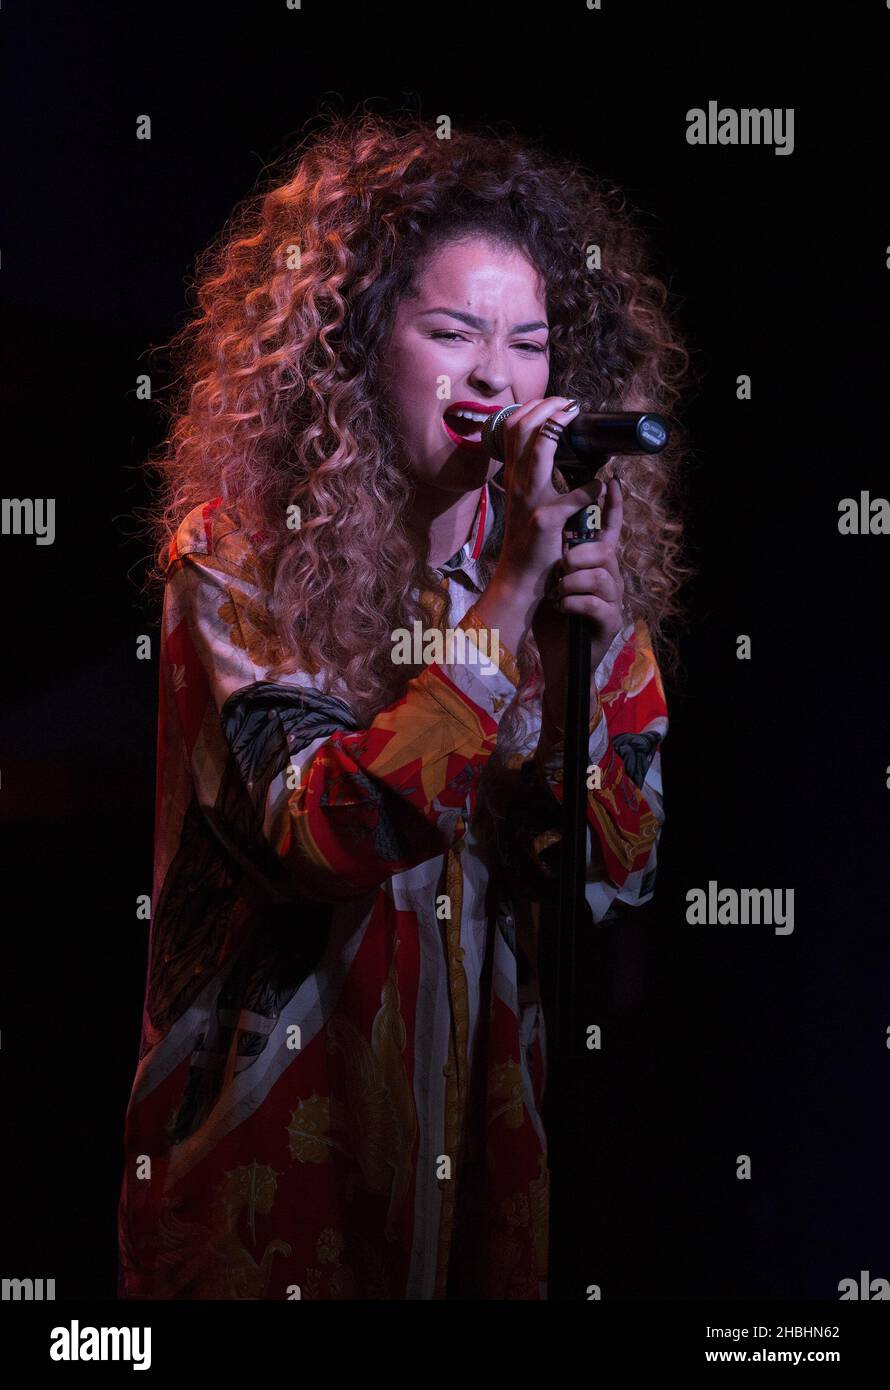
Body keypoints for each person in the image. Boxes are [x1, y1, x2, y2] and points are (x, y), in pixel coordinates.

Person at [117, 110, 692, 1301]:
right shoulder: (232, 564)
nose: (496, 373)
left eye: (528, 342)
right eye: (452, 331)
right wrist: (511, 596)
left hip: (482, 1180)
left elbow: (614, 870)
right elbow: (325, 828)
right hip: (274, 1184)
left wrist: (592, 646)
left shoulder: (545, 567)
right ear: (357, 343)